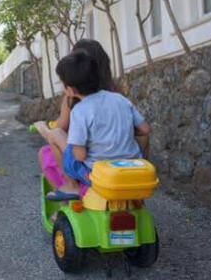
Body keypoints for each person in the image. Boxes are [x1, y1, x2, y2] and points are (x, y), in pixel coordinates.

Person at [37, 46, 150, 201]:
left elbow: (80, 155)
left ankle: (71, 186)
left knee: (56, 134)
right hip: (131, 168)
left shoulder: (80, 110)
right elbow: (144, 129)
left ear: (69, 89)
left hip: (96, 175)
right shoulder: (120, 99)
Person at [35, 40, 117, 200]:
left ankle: (69, 194)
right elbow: (143, 130)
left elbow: (61, 128)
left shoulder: (73, 100)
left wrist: (43, 128)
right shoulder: (115, 94)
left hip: (90, 165)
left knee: (47, 150)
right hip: (119, 162)